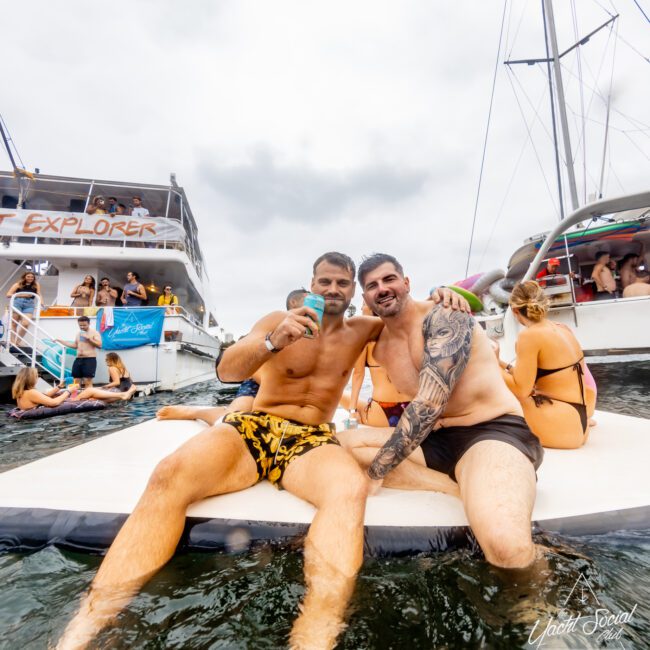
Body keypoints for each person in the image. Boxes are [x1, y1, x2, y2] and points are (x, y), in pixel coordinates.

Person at [58, 252, 465, 649]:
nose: (334, 289)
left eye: (343, 283)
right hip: (254, 427)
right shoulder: (277, 320)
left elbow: (404, 310)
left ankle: (315, 635)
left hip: (310, 439)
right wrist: (273, 341)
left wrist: (447, 292)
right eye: (325, 281)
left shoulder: (363, 328)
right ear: (313, 286)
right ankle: (90, 622)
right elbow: (226, 371)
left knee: (349, 491)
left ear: (351, 290)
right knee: (169, 473)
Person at [339, 253, 544, 572]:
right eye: (372, 285)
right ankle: (453, 487)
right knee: (342, 446)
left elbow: (429, 403)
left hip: (488, 432)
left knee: (506, 548)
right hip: (433, 440)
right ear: (365, 296)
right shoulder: (378, 339)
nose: (382, 289)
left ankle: (539, 616)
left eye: (389, 279)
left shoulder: (445, 315)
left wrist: (376, 472)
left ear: (406, 283)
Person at [499, 281, 596, 449]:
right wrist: (501, 364)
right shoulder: (562, 329)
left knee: (501, 400)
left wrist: (491, 365)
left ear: (515, 311)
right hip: (578, 423)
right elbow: (531, 378)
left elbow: (521, 390)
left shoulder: (529, 336)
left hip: (561, 425)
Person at [340, 303, 411, 427]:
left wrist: (353, 412)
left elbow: (358, 374)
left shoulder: (365, 338)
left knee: (338, 393)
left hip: (381, 411)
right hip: (412, 408)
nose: (361, 308)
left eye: (363, 305)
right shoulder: (404, 333)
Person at [56, 316, 102, 388]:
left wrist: (89, 339)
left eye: (84, 325)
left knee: (87, 380)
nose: (82, 327)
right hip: (78, 359)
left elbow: (99, 345)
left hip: (89, 359)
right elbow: (75, 345)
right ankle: (76, 397)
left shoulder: (94, 333)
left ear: (89, 323)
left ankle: (89, 397)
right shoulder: (79, 334)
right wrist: (60, 341)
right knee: (76, 380)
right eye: (80, 325)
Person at [6, 271, 43, 346]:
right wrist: (23, 295)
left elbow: (39, 293)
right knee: (14, 323)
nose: (30, 278)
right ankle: (12, 342)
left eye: (32, 277)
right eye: (28, 276)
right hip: (17, 303)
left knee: (26, 323)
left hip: (29, 304)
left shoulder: (36, 285)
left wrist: (42, 302)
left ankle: (18, 341)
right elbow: (8, 294)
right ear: (24, 277)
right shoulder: (17, 284)